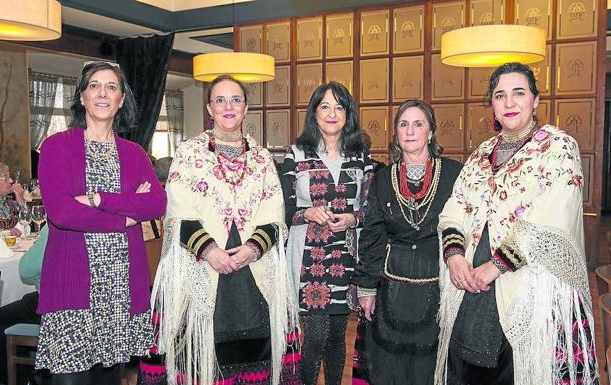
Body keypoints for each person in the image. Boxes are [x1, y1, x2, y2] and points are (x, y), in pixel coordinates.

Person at [435, 62, 599, 385]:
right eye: (500, 95)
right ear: (492, 105)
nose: (509, 103)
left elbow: (552, 217)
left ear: (535, 101)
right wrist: (454, 256)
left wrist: (495, 266)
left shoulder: (557, 147)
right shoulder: (481, 153)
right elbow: (454, 206)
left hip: (530, 289)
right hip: (472, 287)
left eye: (519, 93)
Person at [144, 75, 299, 385]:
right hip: (200, 267)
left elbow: (275, 215)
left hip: (251, 271)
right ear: (209, 109)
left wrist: (252, 249)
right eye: (220, 100)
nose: (228, 106)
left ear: (246, 108)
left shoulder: (262, 159)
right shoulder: (189, 154)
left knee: (257, 358)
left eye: (236, 100)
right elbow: (177, 214)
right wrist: (210, 251)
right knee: (200, 358)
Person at [36, 61, 167, 384]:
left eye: (111, 87)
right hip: (72, 286)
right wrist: (125, 218)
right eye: (94, 85)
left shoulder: (135, 153)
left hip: (120, 288)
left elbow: (156, 203)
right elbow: (62, 213)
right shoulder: (56, 147)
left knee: (109, 379)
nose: (103, 93)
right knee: (71, 379)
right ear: (81, 97)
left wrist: (99, 199)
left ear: (121, 100)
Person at [349, 100, 462, 385]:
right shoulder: (383, 178)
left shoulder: (454, 174)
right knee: (389, 365)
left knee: (432, 364)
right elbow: (373, 236)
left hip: (440, 284)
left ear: (431, 132)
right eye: (403, 124)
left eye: (418, 124)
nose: (410, 131)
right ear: (396, 133)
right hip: (391, 292)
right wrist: (366, 288)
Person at [280, 81, 372, 385]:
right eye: (325, 106)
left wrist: (352, 219)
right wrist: (306, 212)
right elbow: (283, 209)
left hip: (346, 255)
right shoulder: (296, 153)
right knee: (315, 338)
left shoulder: (360, 155)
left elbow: (369, 210)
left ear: (348, 114)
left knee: (336, 338)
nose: (332, 113)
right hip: (309, 257)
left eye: (339, 107)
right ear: (314, 112)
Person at [0, 225, 48, 383]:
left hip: (59, 303)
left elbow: (26, 269)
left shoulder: (56, 223)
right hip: (102, 303)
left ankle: (15, 378)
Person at [0, 160, 26, 236]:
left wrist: (21, 200)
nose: (11, 181)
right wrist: (5, 233)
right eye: (5, 178)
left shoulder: (11, 201)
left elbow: (32, 226)